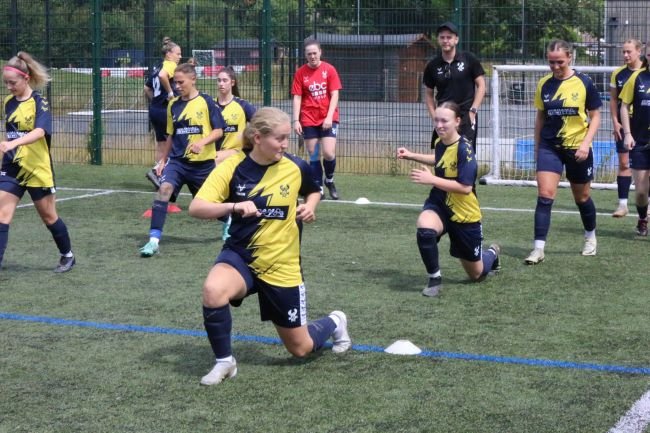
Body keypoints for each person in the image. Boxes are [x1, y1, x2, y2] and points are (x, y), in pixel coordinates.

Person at [189, 107, 351, 385]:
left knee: (300, 349)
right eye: (279, 138)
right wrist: (234, 206)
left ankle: (336, 321)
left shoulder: (296, 166)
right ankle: (225, 362)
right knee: (213, 290)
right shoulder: (232, 166)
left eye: (287, 138)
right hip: (241, 256)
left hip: (282, 265)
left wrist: (310, 207)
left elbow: (314, 190)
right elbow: (196, 207)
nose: (285, 145)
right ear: (257, 137)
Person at [396, 102, 500, 297]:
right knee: (425, 228)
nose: (439, 125)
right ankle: (434, 278)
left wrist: (431, 179)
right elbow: (439, 159)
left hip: (464, 214)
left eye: (444, 120)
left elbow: (466, 187)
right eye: (436, 120)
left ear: (457, 121)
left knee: (476, 275)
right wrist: (411, 155)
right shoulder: (440, 142)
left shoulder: (465, 150)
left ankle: (492, 253)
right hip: (440, 203)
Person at [524, 39, 602, 264]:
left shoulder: (584, 82)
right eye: (551, 63)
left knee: (582, 197)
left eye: (559, 62)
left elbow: (596, 115)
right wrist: (538, 148)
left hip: (578, 148)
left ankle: (590, 236)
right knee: (545, 195)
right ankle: (538, 249)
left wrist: (586, 143)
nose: (555, 67)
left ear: (570, 58)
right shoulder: (544, 85)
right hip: (550, 147)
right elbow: (540, 118)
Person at [139, 63, 226, 257]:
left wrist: (202, 143)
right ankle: (153, 241)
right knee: (164, 190)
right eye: (175, 82)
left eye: (180, 82)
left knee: (209, 206)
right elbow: (171, 135)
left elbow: (219, 130)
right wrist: (163, 160)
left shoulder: (206, 102)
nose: (177, 86)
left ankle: (229, 222)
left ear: (193, 79)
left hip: (203, 165)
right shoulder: (173, 104)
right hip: (178, 162)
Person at [0, 52, 75, 272]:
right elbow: (11, 134)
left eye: (12, 82)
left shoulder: (39, 102)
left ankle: (67, 255)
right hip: (13, 167)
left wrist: (14, 144)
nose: (9, 87)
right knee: (2, 213)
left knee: (48, 216)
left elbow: (40, 131)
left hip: (37, 169)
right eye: (5, 83)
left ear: (26, 78)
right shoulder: (8, 103)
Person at [292, 38, 342, 200]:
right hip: (308, 118)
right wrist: (296, 120)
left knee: (328, 153)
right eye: (309, 54)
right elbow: (297, 97)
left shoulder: (330, 70)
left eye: (315, 53)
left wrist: (329, 117)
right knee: (313, 155)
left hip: (328, 118)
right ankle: (318, 187)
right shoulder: (300, 73)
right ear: (305, 56)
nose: (312, 56)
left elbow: (335, 94)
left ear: (320, 52)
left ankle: (329, 180)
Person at [423, 21, 485, 151]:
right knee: (443, 156)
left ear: (456, 39)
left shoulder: (469, 59)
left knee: (465, 154)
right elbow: (428, 94)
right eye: (442, 37)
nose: (446, 40)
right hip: (444, 117)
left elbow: (482, 86)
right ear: (438, 40)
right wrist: (435, 116)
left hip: (466, 115)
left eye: (449, 37)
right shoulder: (432, 65)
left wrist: (472, 111)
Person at [214, 67, 257, 241]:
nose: (221, 84)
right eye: (218, 80)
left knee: (212, 164)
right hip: (214, 153)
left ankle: (230, 219)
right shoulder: (211, 105)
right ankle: (228, 218)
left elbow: (260, 123)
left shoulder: (242, 105)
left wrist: (250, 143)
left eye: (224, 80)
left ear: (232, 83)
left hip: (235, 153)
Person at [143, 37, 182, 209]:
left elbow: (146, 88)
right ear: (169, 54)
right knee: (171, 144)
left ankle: (158, 175)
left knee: (161, 144)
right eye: (177, 53)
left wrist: (155, 101)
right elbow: (162, 76)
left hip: (155, 109)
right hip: (165, 110)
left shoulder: (157, 66)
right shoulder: (169, 66)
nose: (179, 57)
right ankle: (160, 174)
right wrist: (171, 92)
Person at [609, 39, 644, 218]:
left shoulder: (645, 73)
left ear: (639, 51)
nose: (625, 55)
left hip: (643, 125)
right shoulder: (618, 74)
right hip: (625, 125)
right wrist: (615, 122)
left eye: (629, 51)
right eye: (623, 52)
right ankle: (623, 204)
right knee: (624, 163)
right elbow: (614, 100)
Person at [620, 44, 650, 236]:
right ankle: (642, 218)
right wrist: (628, 134)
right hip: (640, 142)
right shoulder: (637, 77)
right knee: (640, 192)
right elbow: (624, 106)